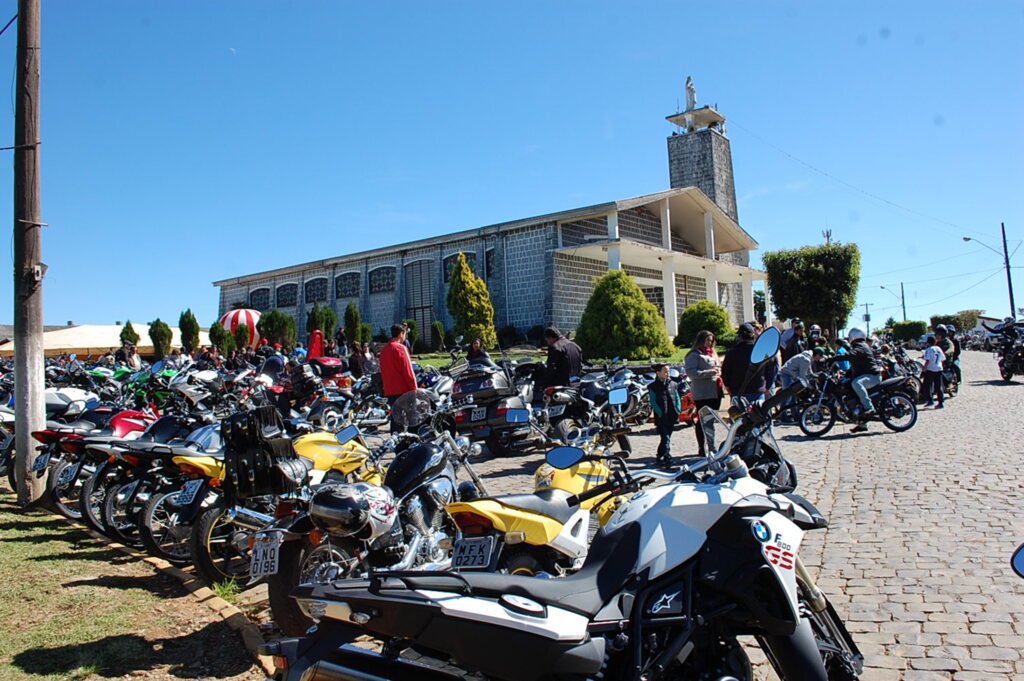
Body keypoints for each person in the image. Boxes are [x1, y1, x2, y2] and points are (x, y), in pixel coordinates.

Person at [683, 330, 723, 457]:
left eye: (711, 341)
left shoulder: (713, 354)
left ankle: (711, 445)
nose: (709, 343)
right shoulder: (694, 355)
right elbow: (690, 372)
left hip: (715, 390)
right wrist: (707, 373)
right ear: (700, 340)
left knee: (711, 419)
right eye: (707, 340)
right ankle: (705, 447)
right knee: (703, 421)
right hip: (703, 392)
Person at [843, 328, 882, 433]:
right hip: (867, 375)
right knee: (855, 395)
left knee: (857, 383)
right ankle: (862, 424)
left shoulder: (861, 346)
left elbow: (849, 355)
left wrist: (834, 358)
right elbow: (855, 366)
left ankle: (869, 407)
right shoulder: (860, 346)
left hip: (873, 376)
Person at [721, 323, 768, 404]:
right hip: (757, 390)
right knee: (760, 416)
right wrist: (768, 385)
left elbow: (725, 372)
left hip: (738, 391)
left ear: (740, 336)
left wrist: (728, 388)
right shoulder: (761, 351)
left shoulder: (732, 353)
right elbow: (771, 368)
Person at [648, 363, 681, 467]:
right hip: (662, 417)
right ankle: (666, 456)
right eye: (665, 371)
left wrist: (678, 409)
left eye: (668, 371)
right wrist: (659, 412)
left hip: (672, 414)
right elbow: (653, 401)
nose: (667, 373)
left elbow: (677, 397)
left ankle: (660, 455)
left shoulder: (673, 384)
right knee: (665, 437)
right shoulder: (653, 387)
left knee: (667, 438)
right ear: (658, 373)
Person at [380, 324, 417, 414]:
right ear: (401, 334)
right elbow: (408, 370)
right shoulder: (401, 348)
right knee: (408, 419)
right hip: (403, 390)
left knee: (395, 418)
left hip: (389, 390)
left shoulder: (384, 350)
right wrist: (414, 388)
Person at [920, 335, 946, 408]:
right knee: (938, 386)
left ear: (928, 342)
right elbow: (943, 359)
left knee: (927, 385)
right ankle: (941, 402)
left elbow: (928, 360)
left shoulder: (929, 349)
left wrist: (924, 368)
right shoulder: (938, 348)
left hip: (931, 369)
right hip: (939, 369)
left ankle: (930, 400)